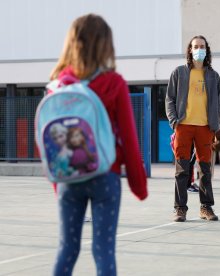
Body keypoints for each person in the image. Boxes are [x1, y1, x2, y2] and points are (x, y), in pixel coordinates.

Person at [48, 14, 148, 275]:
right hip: (105, 175)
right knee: (103, 249)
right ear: (106, 44)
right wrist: (138, 185)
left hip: (69, 178)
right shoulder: (114, 83)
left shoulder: (57, 84)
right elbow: (129, 139)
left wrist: (57, 182)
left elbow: (48, 140)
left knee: (66, 249)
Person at [165, 35, 220, 222]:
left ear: (207, 49)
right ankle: (180, 208)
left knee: (205, 170)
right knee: (182, 170)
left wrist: (214, 125)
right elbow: (169, 99)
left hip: (205, 127)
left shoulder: (213, 76)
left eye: (202, 46)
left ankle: (206, 208)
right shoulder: (179, 72)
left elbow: (217, 102)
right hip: (184, 126)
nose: (199, 49)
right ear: (190, 50)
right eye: (195, 46)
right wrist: (174, 121)